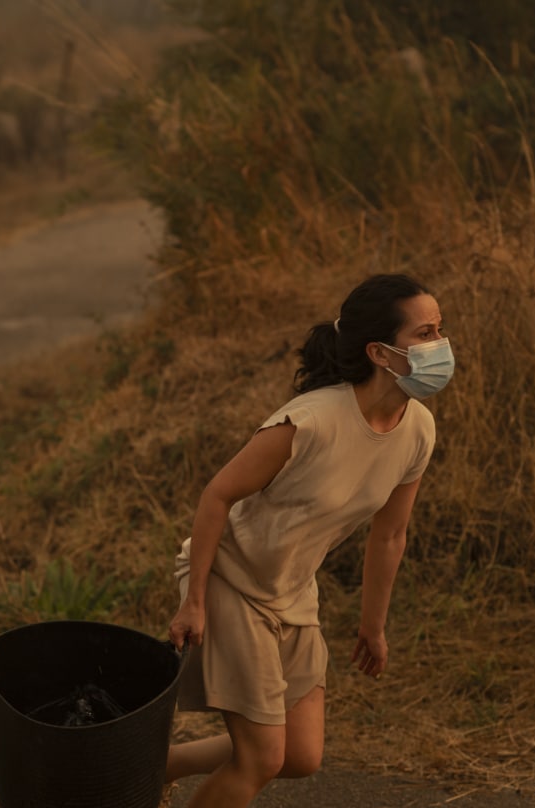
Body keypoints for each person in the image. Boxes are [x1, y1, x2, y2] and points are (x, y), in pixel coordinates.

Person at [163, 273, 450, 807]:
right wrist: (195, 601)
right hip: (232, 583)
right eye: (425, 332)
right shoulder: (311, 421)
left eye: (441, 329)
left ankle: (157, 766)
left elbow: (390, 536)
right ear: (380, 352)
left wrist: (373, 626)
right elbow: (216, 496)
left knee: (299, 755)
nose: (440, 345)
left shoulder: (419, 430)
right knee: (261, 758)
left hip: (292, 595)